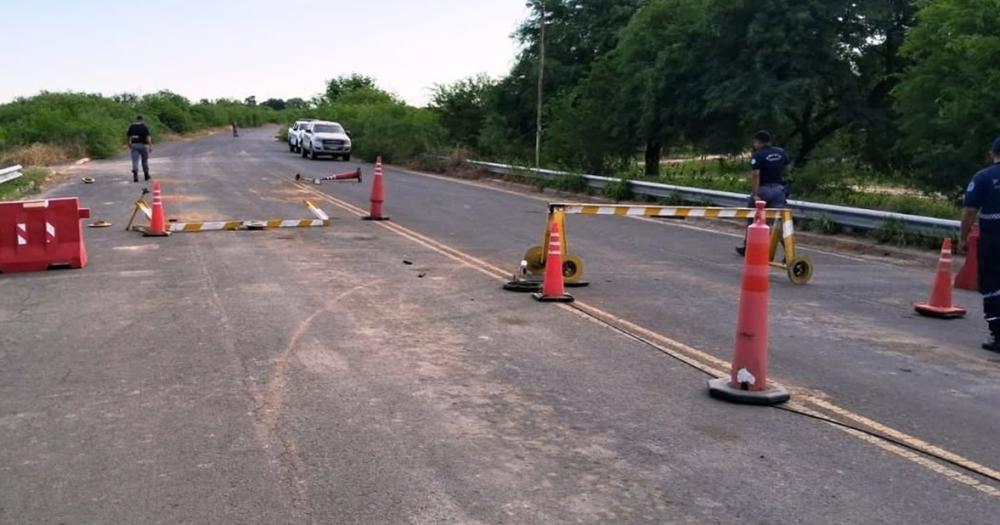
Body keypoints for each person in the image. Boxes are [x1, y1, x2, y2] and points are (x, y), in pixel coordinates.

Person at [960, 136, 1000, 352]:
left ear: (992, 153)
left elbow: (970, 212)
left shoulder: (983, 177)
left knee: (992, 286)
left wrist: (963, 238)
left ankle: (999, 335)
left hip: (993, 240)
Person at [737, 131, 791, 256]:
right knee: (778, 222)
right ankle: (789, 252)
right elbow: (788, 168)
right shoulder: (780, 152)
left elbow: (756, 174)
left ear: (758, 142)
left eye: (754, 142)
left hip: (763, 191)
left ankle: (748, 247)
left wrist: (755, 194)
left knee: (753, 219)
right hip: (778, 190)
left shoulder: (758, 155)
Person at [126, 115, 153, 183]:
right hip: (143, 145)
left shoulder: (131, 126)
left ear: (136, 119)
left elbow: (129, 136)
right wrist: (150, 146)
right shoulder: (144, 126)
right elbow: (148, 137)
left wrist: (129, 144)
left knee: (135, 161)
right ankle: (146, 175)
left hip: (134, 145)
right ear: (142, 120)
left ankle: (135, 176)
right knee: (144, 160)